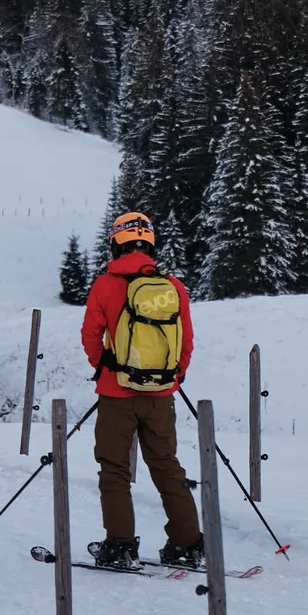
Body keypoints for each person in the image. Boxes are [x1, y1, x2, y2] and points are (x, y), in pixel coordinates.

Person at [79, 208, 201, 571]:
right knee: (166, 465)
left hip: (116, 395)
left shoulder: (105, 284)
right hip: (161, 394)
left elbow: (90, 336)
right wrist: (172, 377)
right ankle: (187, 542)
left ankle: (120, 545)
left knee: (114, 469)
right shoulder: (173, 286)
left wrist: (106, 369)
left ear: (116, 243)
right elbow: (187, 341)